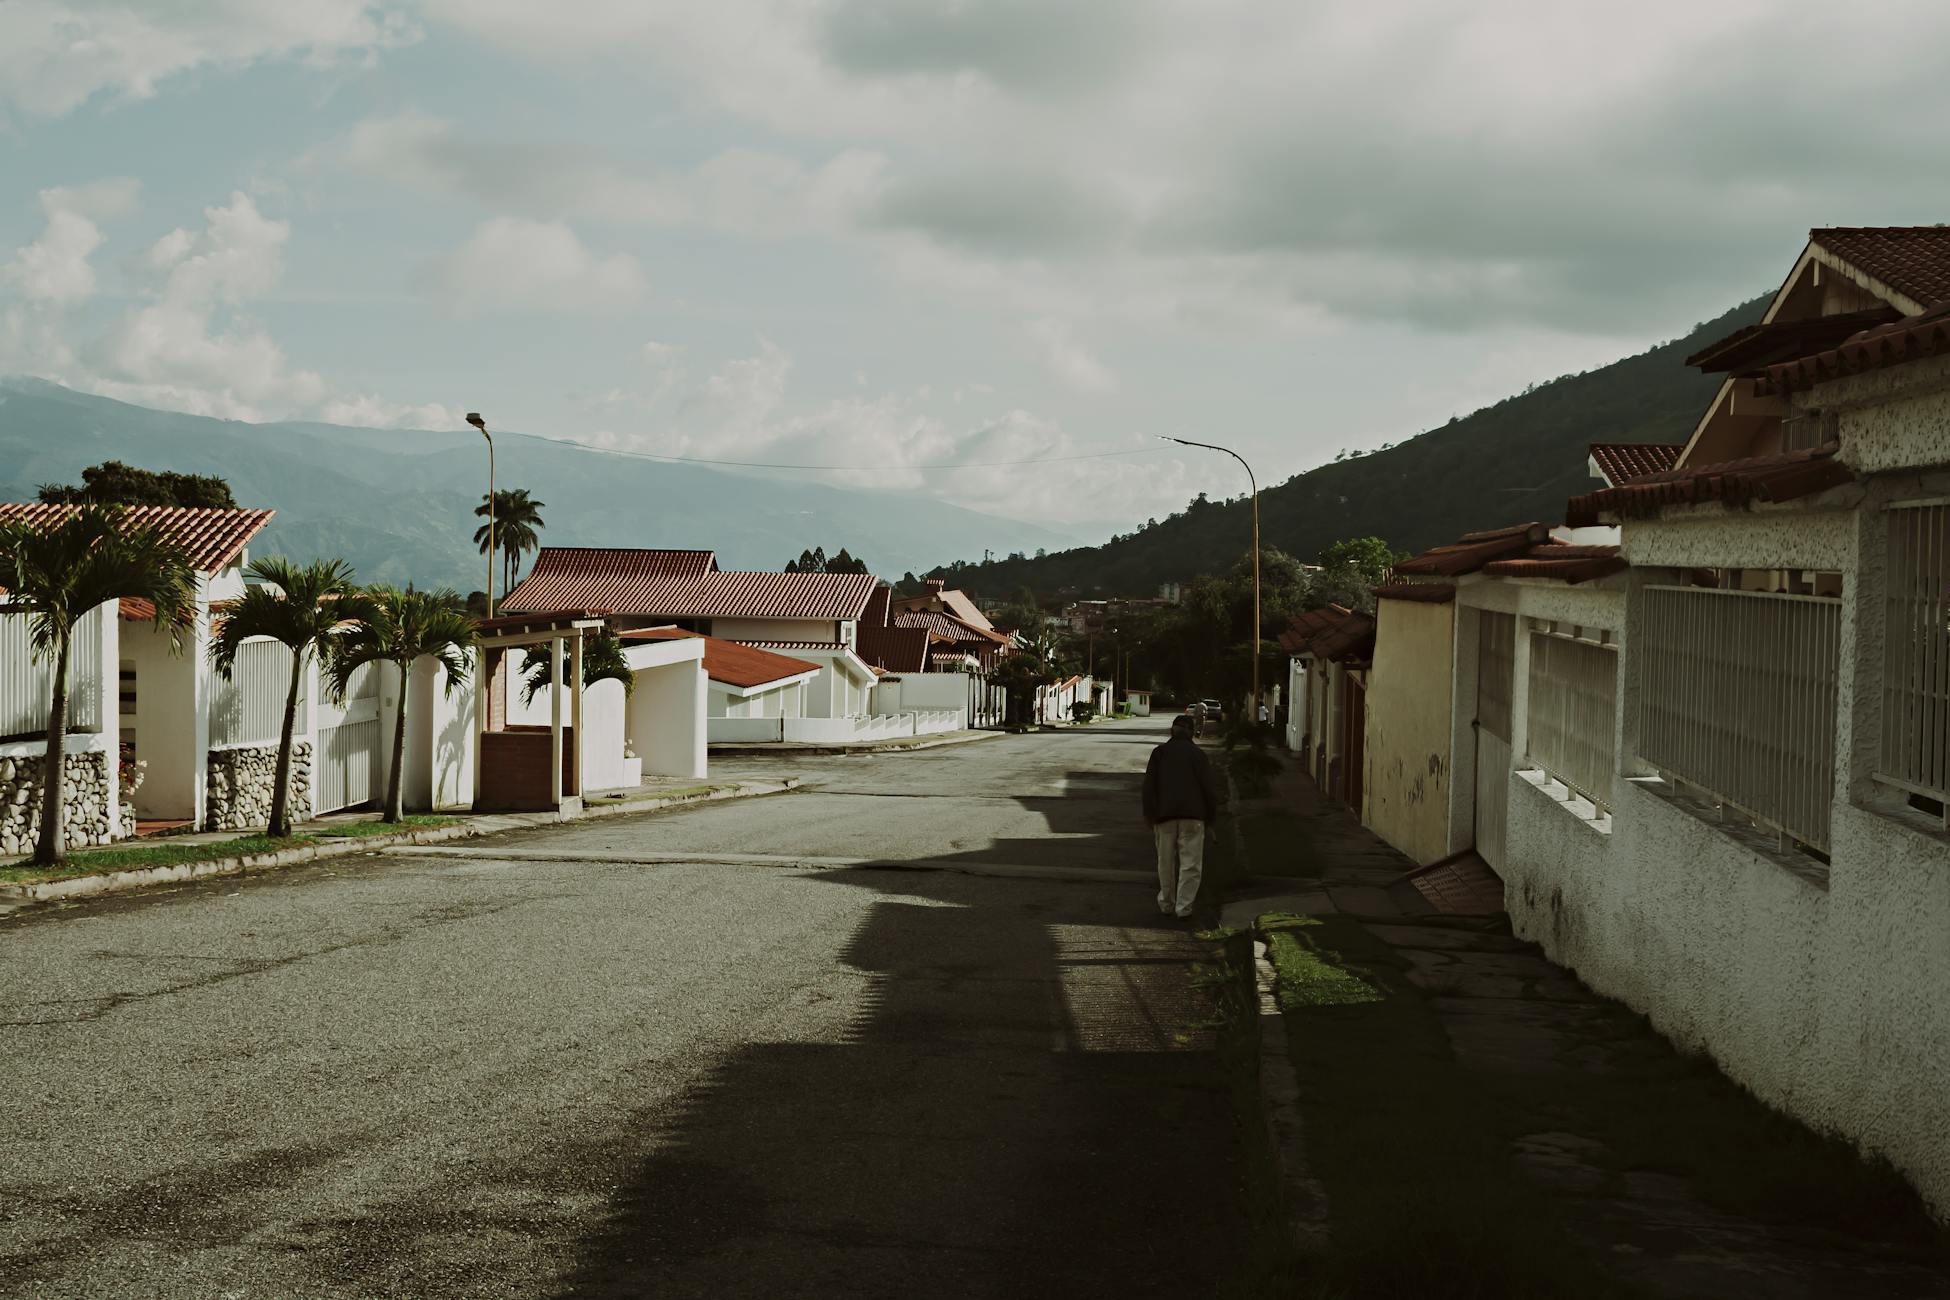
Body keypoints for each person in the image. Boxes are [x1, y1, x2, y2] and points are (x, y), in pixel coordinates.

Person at [1143, 714, 1222, 919]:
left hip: (1164, 815)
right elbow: (1208, 789)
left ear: (1172, 731)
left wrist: (1149, 814)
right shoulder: (1198, 755)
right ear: (1191, 732)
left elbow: (1149, 788)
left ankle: (1166, 902)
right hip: (1193, 816)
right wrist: (1211, 817)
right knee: (1191, 863)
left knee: (1165, 861)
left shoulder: (1159, 753)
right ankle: (1184, 907)